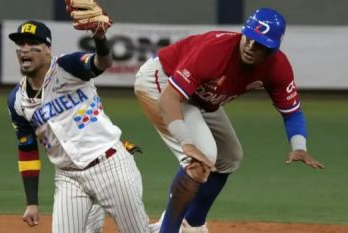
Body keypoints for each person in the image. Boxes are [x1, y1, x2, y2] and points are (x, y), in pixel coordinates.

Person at [134, 8, 325, 233]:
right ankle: (168, 230)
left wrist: (299, 146)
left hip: (200, 97)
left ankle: (192, 225)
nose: (251, 47)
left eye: (260, 44)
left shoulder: (277, 67)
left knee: (230, 156)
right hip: (163, 80)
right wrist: (186, 141)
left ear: (274, 49)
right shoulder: (215, 50)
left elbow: (292, 111)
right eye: (249, 38)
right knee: (202, 155)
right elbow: (170, 98)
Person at [7, 19, 153, 233]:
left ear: (48, 49)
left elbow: (102, 62)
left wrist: (99, 37)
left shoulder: (68, 67)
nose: (24, 50)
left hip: (109, 165)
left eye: (32, 44)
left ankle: (180, 226)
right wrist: (32, 202)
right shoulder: (17, 100)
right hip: (68, 177)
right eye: (20, 45)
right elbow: (27, 149)